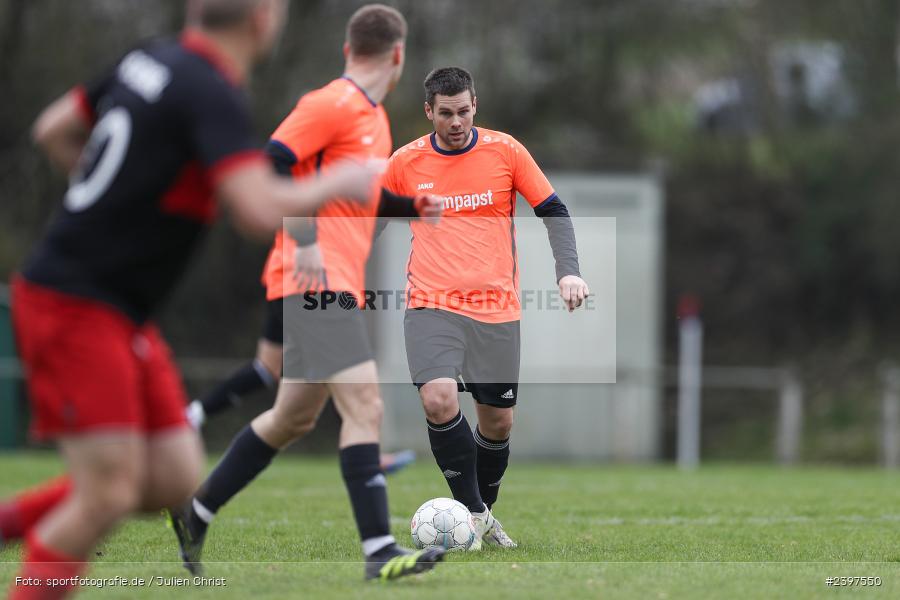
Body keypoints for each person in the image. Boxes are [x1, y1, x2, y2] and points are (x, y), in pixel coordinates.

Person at [5, 1, 378, 597]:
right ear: (262, 18)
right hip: (75, 302)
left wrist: (121, 202)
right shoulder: (210, 89)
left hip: (116, 308)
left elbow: (54, 128)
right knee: (107, 493)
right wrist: (341, 180)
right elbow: (257, 209)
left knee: (172, 476)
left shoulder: (149, 58)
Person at [168, 4, 446, 582]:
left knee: (291, 417)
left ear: (350, 48)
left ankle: (197, 511)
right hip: (313, 277)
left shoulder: (374, 119)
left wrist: (410, 206)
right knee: (365, 406)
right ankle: (379, 550)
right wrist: (307, 240)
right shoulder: (330, 103)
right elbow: (271, 166)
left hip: (328, 279)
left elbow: (359, 196)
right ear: (398, 55)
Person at [381, 66, 590, 549]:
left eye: (464, 111)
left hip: (496, 310)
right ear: (429, 111)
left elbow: (553, 210)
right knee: (438, 398)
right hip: (430, 304)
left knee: (497, 423)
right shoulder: (405, 162)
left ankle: (481, 516)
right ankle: (473, 515)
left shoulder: (506, 151)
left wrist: (568, 271)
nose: (456, 122)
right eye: (445, 113)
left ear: (475, 105)